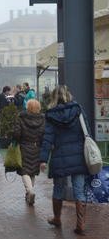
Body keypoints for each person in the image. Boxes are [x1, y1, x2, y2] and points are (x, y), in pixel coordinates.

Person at [39, 85, 90, 235]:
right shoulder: (78, 110)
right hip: (79, 156)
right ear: (68, 95)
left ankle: (57, 218)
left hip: (59, 157)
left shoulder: (51, 115)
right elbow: (87, 131)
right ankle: (80, 224)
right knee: (79, 190)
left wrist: (43, 159)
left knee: (58, 188)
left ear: (54, 98)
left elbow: (48, 139)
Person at [13, 99, 45, 206]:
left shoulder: (21, 117)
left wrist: (16, 140)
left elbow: (17, 133)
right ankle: (29, 193)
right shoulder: (42, 119)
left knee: (25, 171)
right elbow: (43, 134)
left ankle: (30, 191)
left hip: (24, 146)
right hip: (36, 147)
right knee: (33, 171)